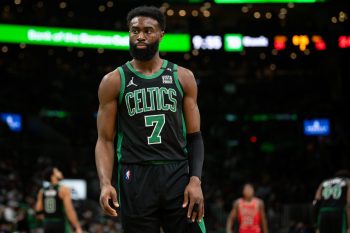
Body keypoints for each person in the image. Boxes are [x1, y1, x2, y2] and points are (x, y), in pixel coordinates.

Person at [95, 5, 205, 233]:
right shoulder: (114, 80)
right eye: (134, 31)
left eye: (148, 30)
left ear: (161, 34)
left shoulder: (182, 77)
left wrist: (195, 180)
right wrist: (105, 183)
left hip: (176, 173)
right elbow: (105, 139)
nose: (140, 36)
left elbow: (195, 137)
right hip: (135, 175)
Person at [35, 167, 82, 233]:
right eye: (57, 171)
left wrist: (49, 219)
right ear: (52, 176)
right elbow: (69, 210)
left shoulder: (42, 191)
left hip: (47, 224)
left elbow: (38, 211)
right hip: (60, 223)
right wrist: (77, 227)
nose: (60, 172)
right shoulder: (63, 189)